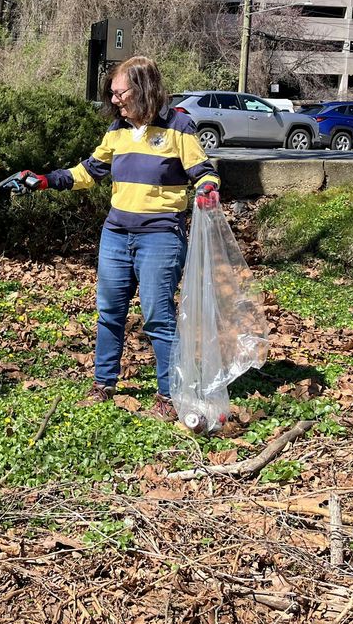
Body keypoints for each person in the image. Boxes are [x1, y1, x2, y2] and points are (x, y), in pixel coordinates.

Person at [19, 56, 219, 421]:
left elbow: (203, 172)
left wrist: (208, 188)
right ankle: (103, 384)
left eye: (119, 92)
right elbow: (88, 171)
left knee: (158, 318)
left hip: (160, 236)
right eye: (111, 94)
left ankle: (168, 395)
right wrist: (47, 179)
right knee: (109, 312)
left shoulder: (179, 126)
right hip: (116, 234)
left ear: (143, 88)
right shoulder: (117, 131)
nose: (114, 100)